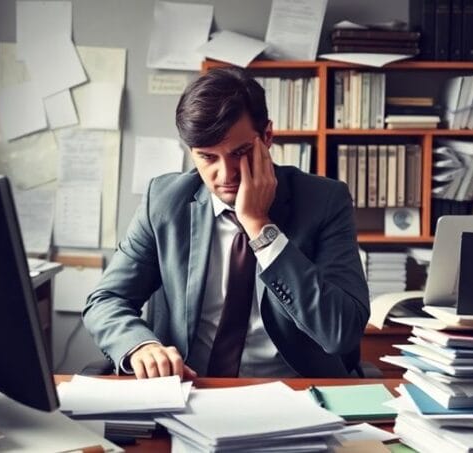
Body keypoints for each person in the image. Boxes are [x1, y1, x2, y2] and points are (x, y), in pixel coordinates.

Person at [83, 68, 369, 379]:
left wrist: (259, 226)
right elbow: (106, 300)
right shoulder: (165, 203)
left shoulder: (324, 201)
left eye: (240, 152)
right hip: (191, 389)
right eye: (208, 157)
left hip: (295, 391)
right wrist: (139, 346)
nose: (226, 175)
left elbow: (342, 331)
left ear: (267, 137)